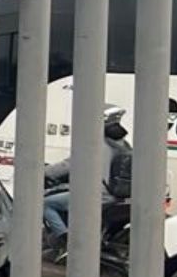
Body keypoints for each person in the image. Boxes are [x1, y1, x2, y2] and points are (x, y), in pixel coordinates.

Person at [41, 105, 133, 250]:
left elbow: (68, 165)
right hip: (116, 196)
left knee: (46, 204)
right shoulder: (124, 144)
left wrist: (45, 172)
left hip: (95, 195)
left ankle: (66, 240)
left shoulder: (94, 144)